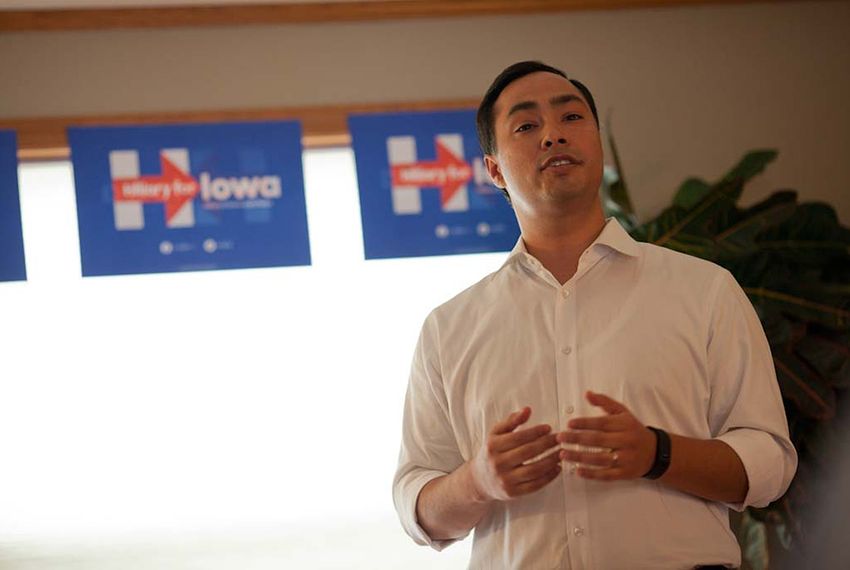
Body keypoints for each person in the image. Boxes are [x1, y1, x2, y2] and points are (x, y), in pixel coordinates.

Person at [392, 61, 797, 569]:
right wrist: (477, 481)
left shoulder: (705, 290)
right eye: (526, 125)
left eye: (572, 118)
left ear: (597, 144)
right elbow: (417, 505)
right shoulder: (449, 328)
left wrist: (657, 454)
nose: (553, 135)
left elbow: (770, 462)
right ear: (494, 169)